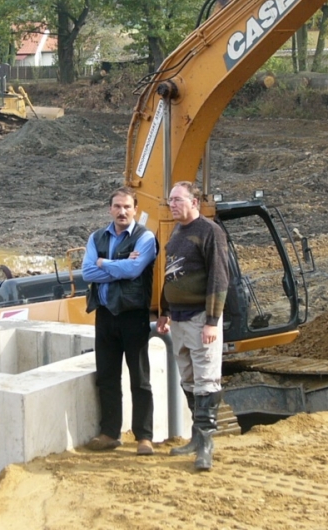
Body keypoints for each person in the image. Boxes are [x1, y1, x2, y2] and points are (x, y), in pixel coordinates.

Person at [156, 181, 229, 471]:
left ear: (194, 202)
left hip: (201, 317)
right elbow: (170, 275)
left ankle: (206, 446)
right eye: (170, 200)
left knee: (206, 379)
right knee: (187, 378)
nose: (172, 204)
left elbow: (219, 278)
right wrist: (163, 311)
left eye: (177, 200)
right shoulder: (176, 232)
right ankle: (196, 439)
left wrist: (212, 321)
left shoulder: (210, 232)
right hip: (179, 318)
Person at [81, 187, 158, 456]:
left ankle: (144, 437)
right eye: (117, 206)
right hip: (104, 315)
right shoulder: (96, 237)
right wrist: (118, 265)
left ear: (135, 208)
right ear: (109, 209)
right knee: (107, 377)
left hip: (133, 315)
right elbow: (87, 272)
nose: (122, 211)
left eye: (127, 206)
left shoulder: (145, 237)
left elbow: (136, 269)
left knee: (140, 378)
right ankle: (110, 433)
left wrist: (104, 263)